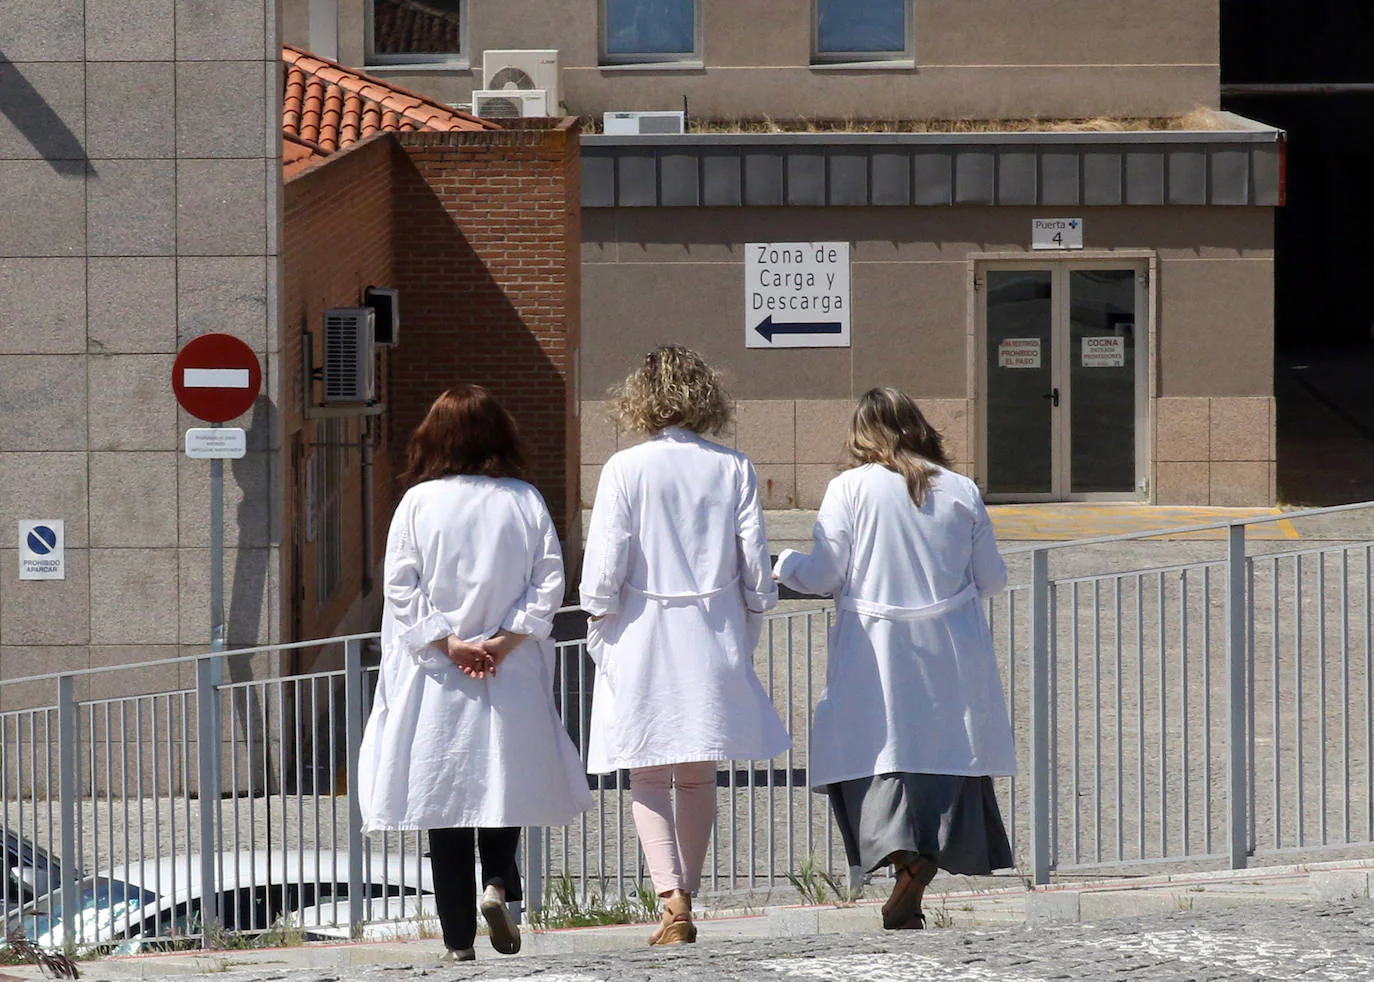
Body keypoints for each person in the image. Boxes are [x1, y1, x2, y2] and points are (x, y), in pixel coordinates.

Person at [356, 384, 593, 962]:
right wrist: (504, 640)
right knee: (501, 786)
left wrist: (450, 642)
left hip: (440, 677)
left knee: (446, 804)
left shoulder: (418, 503)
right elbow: (548, 583)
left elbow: (400, 587)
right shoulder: (524, 499)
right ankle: (499, 887)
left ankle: (458, 942)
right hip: (508, 670)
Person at [773, 387, 1015, 930]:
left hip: (875, 648)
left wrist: (784, 564)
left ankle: (905, 860)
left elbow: (824, 576)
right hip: (950, 647)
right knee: (945, 752)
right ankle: (925, 859)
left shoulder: (850, 489)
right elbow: (993, 579)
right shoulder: (961, 490)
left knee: (876, 753)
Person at [581, 345, 791, 946]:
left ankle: (669, 898)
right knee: (698, 775)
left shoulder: (626, 468)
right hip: (711, 628)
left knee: (646, 775)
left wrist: (599, 621)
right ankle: (687, 895)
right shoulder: (733, 467)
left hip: (641, 630)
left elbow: (602, 570)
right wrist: (755, 609)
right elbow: (755, 563)